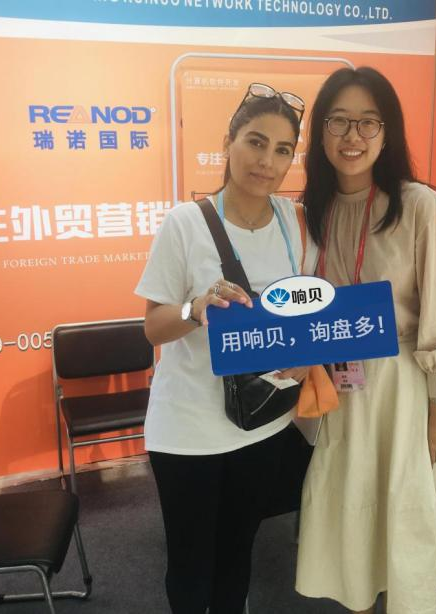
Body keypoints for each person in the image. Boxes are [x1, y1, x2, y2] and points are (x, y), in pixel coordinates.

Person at [295, 67, 436, 614]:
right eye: (338, 121)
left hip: (404, 388)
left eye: (367, 122)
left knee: (403, 513)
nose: (352, 136)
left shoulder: (420, 206)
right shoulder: (312, 212)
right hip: (341, 388)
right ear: (321, 133)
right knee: (351, 513)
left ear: (387, 132)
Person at [135, 83, 309, 614]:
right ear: (228, 143)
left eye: (282, 150)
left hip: (262, 421)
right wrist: (195, 308)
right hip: (188, 428)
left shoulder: (293, 221)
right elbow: (153, 328)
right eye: (255, 142)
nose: (267, 161)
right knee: (191, 566)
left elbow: (303, 308)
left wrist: (305, 355)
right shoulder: (185, 223)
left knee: (237, 554)